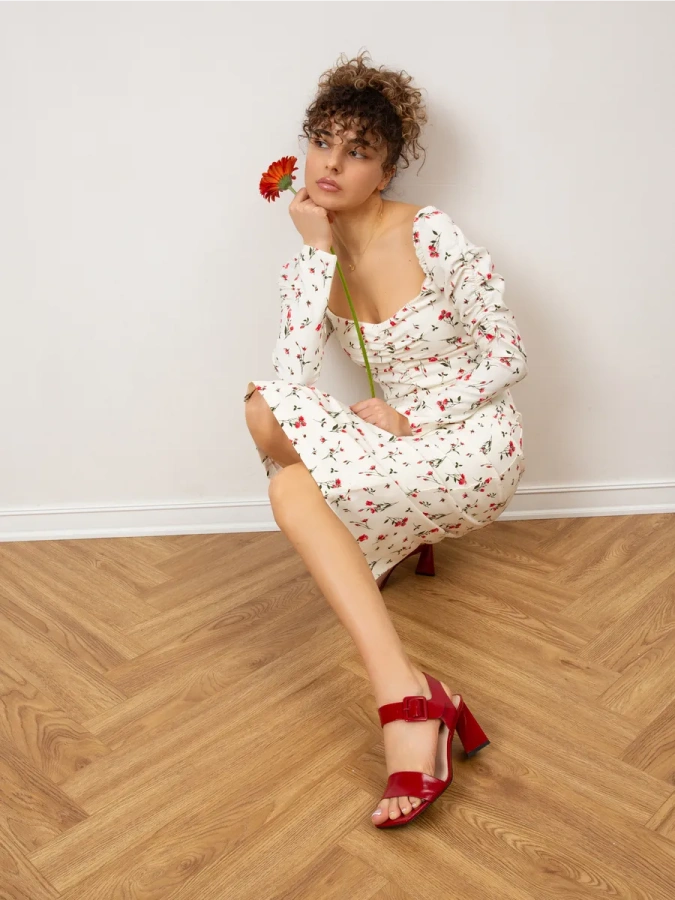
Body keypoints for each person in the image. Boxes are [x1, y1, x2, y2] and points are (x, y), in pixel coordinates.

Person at [244, 50, 528, 828]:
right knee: (265, 414)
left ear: (385, 172)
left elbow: (508, 355)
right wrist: (315, 256)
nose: (331, 165)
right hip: (397, 441)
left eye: (357, 151)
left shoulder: (428, 234)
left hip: (469, 440)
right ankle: (408, 690)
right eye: (321, 143)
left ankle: (409, 700)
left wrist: (415, 415)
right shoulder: (314, 256)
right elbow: (292, 387)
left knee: (287, 472)